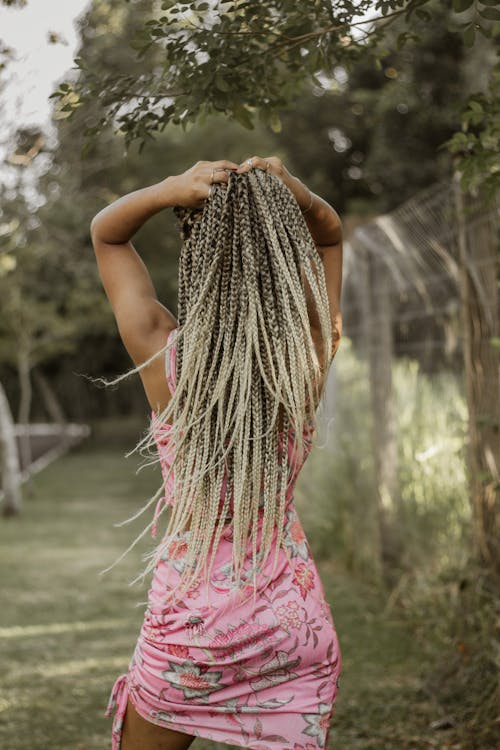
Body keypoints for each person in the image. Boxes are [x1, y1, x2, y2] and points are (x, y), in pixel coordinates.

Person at [90, 155, 343, 750]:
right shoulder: (304, 357)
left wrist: (168, 187)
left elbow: (107, 233)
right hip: (293, 626)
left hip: (194, 631)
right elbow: (330, 233)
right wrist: (297, 193)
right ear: (285, 263)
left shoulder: (164, 357)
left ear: (197, 263)